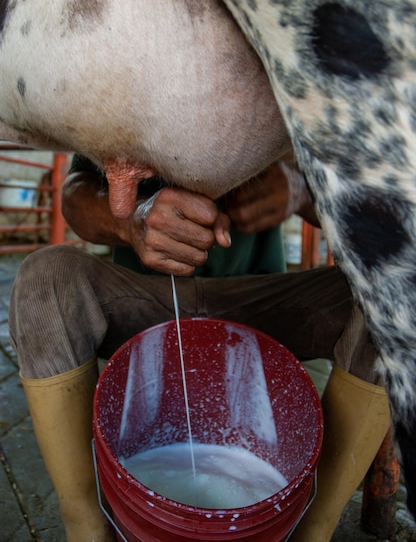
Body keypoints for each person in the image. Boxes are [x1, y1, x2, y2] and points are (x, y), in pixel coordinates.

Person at [9, 152, 390, 542]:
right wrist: (134, 219)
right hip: (144, 291)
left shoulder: (303, 97)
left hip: (258, 296)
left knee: (397, 294)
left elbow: (372, 208)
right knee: (46, 279)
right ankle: (87, 527)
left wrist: (300, 188)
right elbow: (76, 192)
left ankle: (312, 528)